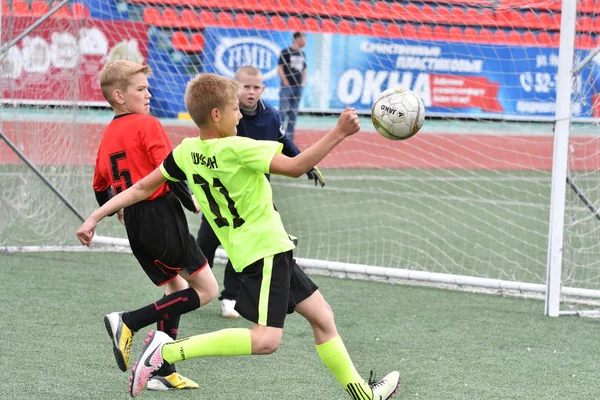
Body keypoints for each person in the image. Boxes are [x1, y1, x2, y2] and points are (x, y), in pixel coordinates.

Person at [76, 73, 401, 400]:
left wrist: (95, 216)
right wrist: (339, 132)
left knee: (322, 317)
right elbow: (295, 166)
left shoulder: (186, 152)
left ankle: (363, 395)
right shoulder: (239, 148)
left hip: (268, 251)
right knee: (266, 340)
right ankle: (167, 353)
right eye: (234, 109)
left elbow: (142, 186)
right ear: (216, 115)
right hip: (265, 251)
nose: (240, 115)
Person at [91, 60, 218, 391]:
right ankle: (128, 321)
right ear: (119, 95)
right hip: (160, 214)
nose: (149, 94)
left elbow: (99, 185)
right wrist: (192, 203)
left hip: (136, 222)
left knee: (175, 287)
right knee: (206, 290)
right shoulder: (146, 124)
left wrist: (118, 210)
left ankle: (163, 370)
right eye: (141, 89)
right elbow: (171, 168)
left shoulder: (108, 135)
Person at [197, 65, 325, 319]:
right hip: (220, 197)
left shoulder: (272, 117)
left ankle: (230, 297)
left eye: (256, 87)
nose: (251, 92)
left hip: (251, 200)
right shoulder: (223, 118)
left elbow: (283, 142)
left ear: (263, 89)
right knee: (204, 246)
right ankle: (195, 288)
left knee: (240, 250)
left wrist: (304, 162)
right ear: (234, 88)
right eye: (245, 87)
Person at [278, 31, 307, 142]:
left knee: (293, 112)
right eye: (304, 38)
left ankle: (289, 137)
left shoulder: (302, 54)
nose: (305, 42)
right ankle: (278, 134)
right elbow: (280, 68)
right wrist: (285, 81)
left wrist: (303, 82)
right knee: (283, 111)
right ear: (297, 39)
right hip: (287, 87)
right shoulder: (285, 52)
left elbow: (304, 69)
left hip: (298, 87)